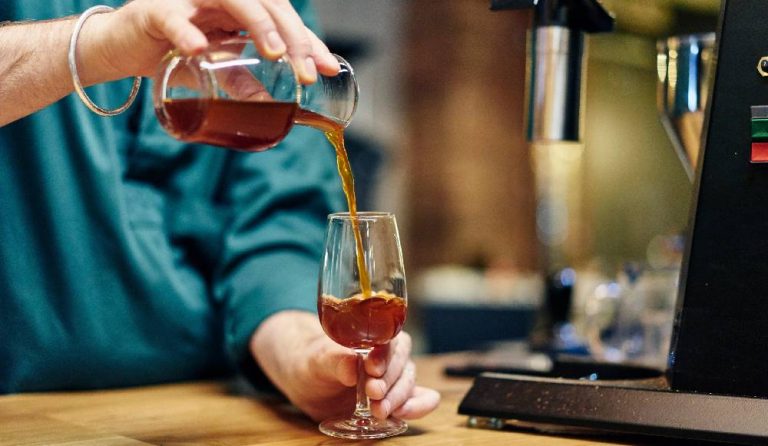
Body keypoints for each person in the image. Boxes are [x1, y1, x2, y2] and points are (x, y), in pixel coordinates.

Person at [0, 0, 440, 423]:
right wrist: (99, 44)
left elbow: (277, 222)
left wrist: (305, 358)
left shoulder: (267, 10)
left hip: (200, 409)